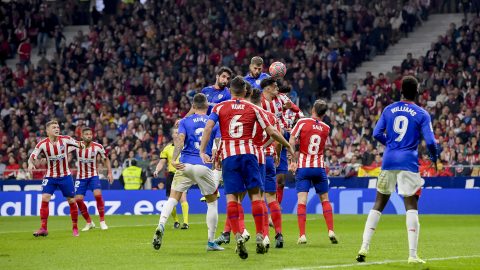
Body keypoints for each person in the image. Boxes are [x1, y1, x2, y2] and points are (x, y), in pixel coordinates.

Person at [199, 76, 295, 259]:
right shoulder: (254, 108)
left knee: (232, 199)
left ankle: (237, 236)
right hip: (250, 154)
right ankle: (260, 235)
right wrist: (288, 146)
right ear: (245, 91)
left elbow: (208, 128)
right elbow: (272, 131)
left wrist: (203, 150)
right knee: (256, 196)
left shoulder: (219, 107)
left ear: (230, 91)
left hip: (229, 156)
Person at [356, 76, 438, 264]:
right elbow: (431, 142)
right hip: (408, 162)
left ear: (401, 91)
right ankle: (412, 255)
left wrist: (391, 144)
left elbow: (376, 133)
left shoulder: (388, 109)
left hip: (388, 161)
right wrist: (434, 157)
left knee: (378, 203)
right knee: (411, 205)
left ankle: (364, 247)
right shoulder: (421, 113)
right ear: (417, 92)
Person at [153, 93, 223, 251]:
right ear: (206, 106)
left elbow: (180, 140)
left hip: (184, 165)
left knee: (173, 198)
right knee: (212, 202)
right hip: (203, 165)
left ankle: (161, 225)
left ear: (193, 106)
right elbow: (218, 143)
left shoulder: (185, 121)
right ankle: (211, 242)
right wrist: (218, 158)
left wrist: (174, 159)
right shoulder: (214, 122)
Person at [288, 99, 338, 245]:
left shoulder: (302, 123)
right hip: (319, 167)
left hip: (303, 167)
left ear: (313, 110)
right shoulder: (326, 128)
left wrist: (292, 161)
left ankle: (302, 235)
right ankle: (331, 231)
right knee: (325, 200)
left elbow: (291, 140)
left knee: (302, 201)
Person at [28, 120, 84, 237]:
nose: (57, 129)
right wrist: (30, 164)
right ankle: (43, 228)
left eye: (58, 127)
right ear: (48, 131)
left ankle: (75, 227)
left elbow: (79, 144)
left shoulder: (66, 139)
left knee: (71, 201)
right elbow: (32, 156)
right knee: (45, 198)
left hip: (65, 176)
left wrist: (82, 144)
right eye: (54, 127)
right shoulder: (42, 144)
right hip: (50, 176)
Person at [250, 88, 284, 249]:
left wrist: (260, 147)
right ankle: (279, 233)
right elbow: (277, 136)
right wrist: (276, 154)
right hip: (269, 159)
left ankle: (265, 236)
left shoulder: (249, 115)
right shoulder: (271, 117)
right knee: (272, 199)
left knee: (258, 198)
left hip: (254, 158)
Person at [260, 77, 300, 206]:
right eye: (275, 86)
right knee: (263, 179)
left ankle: (275, 209)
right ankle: (265, 208)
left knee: (281, 180)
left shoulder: (281, 97)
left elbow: (296, 109)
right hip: (265, 141)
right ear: (268, 88)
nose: (278, 88)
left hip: (281, 139)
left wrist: (289, 106)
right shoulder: (259, 102)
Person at [73, 127, 113, 232]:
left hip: (93, 176)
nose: (89, 136)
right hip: (80, 177)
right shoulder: (76, 145)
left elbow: (106, 159)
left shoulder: (98, 147)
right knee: (78, 200)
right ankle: (89, 222)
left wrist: (109, 172)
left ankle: (102, 221)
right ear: (82, 136)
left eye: (90, 134)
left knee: (98, 195)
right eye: (86, 134)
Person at [153, 128, 190, 230]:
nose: (177, 134)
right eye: (175, 132)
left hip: (183, 173)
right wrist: (157, 170)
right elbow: (162, 162)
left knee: (183, 197)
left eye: (179, 132)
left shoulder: (185, 146)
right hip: (171, 175)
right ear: (172, 135)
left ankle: (186, 222)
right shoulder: (167, 148)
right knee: (170, 199)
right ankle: (176, 221)